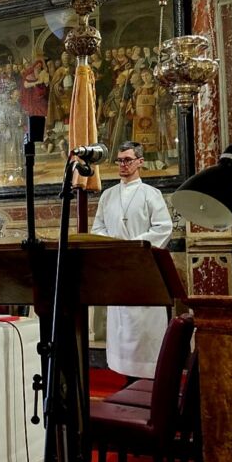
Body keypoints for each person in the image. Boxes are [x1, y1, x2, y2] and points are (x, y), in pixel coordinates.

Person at [92, 142, 173, 380]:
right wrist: (115, 247)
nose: (123, 165)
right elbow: (98, 228)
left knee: (144, 329)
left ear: (140, 162)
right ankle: (126, 379)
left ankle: (148, 380)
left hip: (143, 270)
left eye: (128, 160)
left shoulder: (150, 194)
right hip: (118, 269)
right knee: (121, 329)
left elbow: (163, 228)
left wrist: (133, 246)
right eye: (120, 160)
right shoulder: (108, 195)